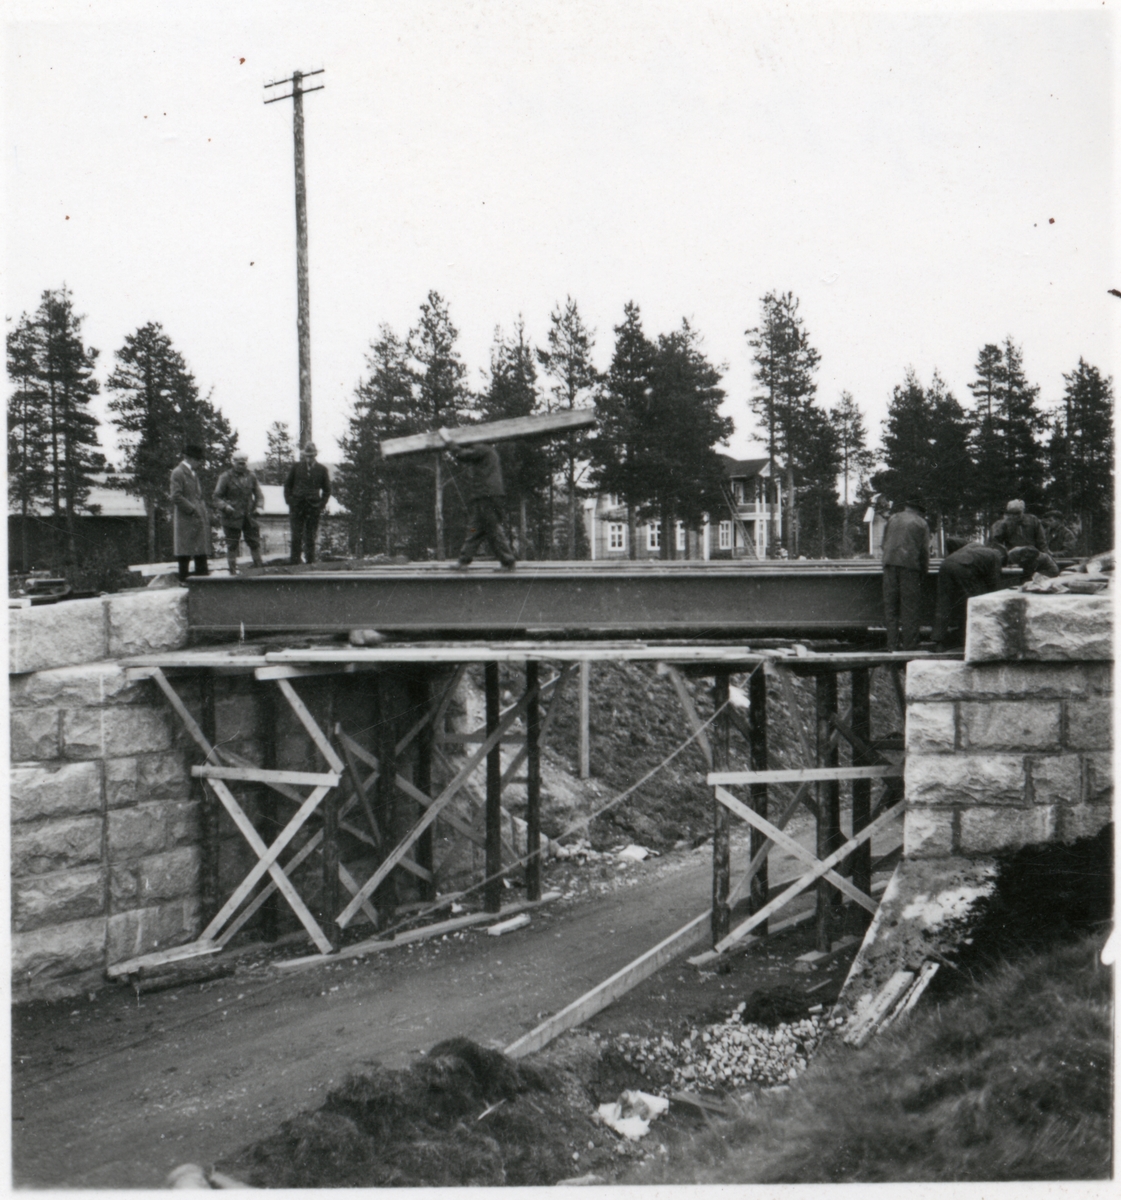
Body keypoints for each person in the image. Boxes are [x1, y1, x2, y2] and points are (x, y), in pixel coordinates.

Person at [438, 428, 516, 569]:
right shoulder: (488, 450)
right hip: (486, 495)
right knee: (475, 529)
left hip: (487, 496)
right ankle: (464, 561)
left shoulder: (482, 449)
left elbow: (462, 455)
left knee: (492, 528)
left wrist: (447, 439)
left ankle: (508, 561)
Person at [931, 541, 1008, 649]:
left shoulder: (975, 546)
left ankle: (938, 641)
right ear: (1002, 556)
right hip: (963, 569)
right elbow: (994, 584)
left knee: (943, 603)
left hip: (946, 564)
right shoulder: (995, 556)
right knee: (974, 604)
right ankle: (973, 639)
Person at [880, 496, 930, 651]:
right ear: (919, 510)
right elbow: (924, 551)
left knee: (891, 608)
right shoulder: (921, 523)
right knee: (910, 609)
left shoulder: (892, 519)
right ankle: (910, 646)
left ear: (907, 506)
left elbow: (883, 544)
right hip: (910, 568)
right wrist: (924, 571)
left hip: (889, 566)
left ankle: (892, 645)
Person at [214, 450, 265, 574]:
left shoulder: (251, 476)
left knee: (254, 543)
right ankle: (232, 572)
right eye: (239, 463)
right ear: (233, 462)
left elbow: (259, 495)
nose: (242, 466)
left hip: (249, 516)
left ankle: (259, 570)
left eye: (244, 463)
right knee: (232, 545)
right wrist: (225, 507)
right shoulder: (225, 477)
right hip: (231, 517)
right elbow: (216, 497)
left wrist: (259, 507)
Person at [169, 443, 211, 584]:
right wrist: (192, 509)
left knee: (200, 550)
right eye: (198, 459)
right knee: (184, 551)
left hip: (197, 517)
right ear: (190, 458)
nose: (199, 463)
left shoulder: (193, 473)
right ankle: (184, 581)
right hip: (185, 518)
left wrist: (201, 511)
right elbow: (176, 496)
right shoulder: (178, 472)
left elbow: (197, 495)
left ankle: (202, 582)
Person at [283, 442, 331, 564]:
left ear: (315, 455)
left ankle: (310, 563)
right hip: (297, 506)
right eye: (307, 456)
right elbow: (287, 486)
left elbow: (327, 490)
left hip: (313, 507)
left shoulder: (322, 470)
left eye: (311, 456)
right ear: (304, 455)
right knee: (296, 536)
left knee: (310, 536)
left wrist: (321, 505)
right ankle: (294, 563)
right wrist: (290, 501)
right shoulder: (296, 467)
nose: (309, 458)